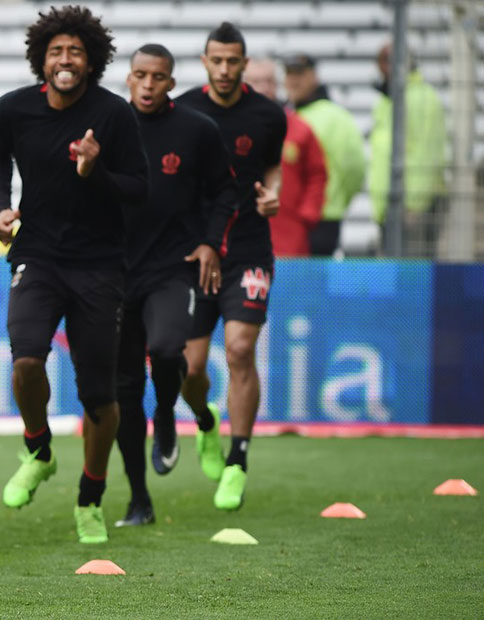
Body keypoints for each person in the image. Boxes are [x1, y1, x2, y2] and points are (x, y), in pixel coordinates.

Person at [0, 5, 148, 543]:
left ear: (91, 60)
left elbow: (138, 191)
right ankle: (37, 448)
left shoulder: (115, 115)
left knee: (99, 393)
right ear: (42, 57)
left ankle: (91, 498)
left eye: (75, 51)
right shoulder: (13, 108)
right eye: (56, 50)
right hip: (36, 256)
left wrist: (94, 170)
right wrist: (3, 208)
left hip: (101, 266)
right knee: (27, 360)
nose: (65, 59)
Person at [114, 44, 238, 527]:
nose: (148, 84)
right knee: (123, 388)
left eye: (158, 77)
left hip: (172, 267)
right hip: (115, 272)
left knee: (168, 350)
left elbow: (225, 190)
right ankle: (138, 500)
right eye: (140, 75)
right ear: (129, 78)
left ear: (171, 82)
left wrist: (211, 242)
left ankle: (165, 411)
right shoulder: (108, 124)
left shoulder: (196, 129)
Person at [175, 22, 286, 511]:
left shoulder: (267, 115)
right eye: (216, 60)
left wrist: (273, 194)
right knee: (189, 368)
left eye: (232, 61)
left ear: (244, 64)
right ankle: (203, 420)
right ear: (205, 62)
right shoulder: (183, 111)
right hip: (196, 254)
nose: (224, 69)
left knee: (240, 350)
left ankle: (238, 459)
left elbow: (271, 168)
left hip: (248, 250)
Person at [368, 42, 447, 257]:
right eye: (384, 60)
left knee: (414, 278)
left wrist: (414, 204)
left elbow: (427, 154)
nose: (387, 66)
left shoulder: (421, 98)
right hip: (391, 206)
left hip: (411, 209)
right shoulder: (388, 99)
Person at [283, 53, 366, 256]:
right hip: (297, 219)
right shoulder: (289, 115)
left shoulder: (334, 117)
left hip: (322, 217)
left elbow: (355, 168)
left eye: (300, 75)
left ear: (314, 77)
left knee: (308, 283)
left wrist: (335, 199)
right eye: (289, 74)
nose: (293, 80)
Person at [245, 58, 327, 257]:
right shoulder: (232, 128)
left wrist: (306, 216)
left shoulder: (299, 128)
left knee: (292, 287)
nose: (264, 88)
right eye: (257, 81)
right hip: (243, 234)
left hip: (288, 236)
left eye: (269, 81)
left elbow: (317, 174)